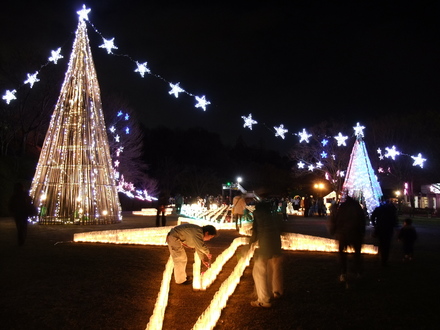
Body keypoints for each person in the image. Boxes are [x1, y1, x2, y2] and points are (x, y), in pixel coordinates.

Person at [249, 197, 283, 308]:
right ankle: (276, 291)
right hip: (276, 244)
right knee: (274, 269)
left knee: (259, 272)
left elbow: (256, 230)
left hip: (265, 245)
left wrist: (250, 244)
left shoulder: (258, 214)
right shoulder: (274, 215)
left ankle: (263, 300)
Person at [329, 196, 366, 282]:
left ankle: (343, 272)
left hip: (343, 233)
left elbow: (335, 218)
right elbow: (362, 220)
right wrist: (362, 231)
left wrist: (334, 230)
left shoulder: (342, 207)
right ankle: (358, 272)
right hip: (355, 233)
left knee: (342, 253)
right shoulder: (357, 207)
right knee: (357, 253)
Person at [371, 199, 398, 266]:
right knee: (387, 244)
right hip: (388, 228)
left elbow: (373, 217)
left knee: (380, 243)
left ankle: (380, 257)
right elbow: (394, 219)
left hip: (380, 228)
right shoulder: (391, 209)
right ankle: (384, 259)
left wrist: (375, 225)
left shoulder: (379, 209)